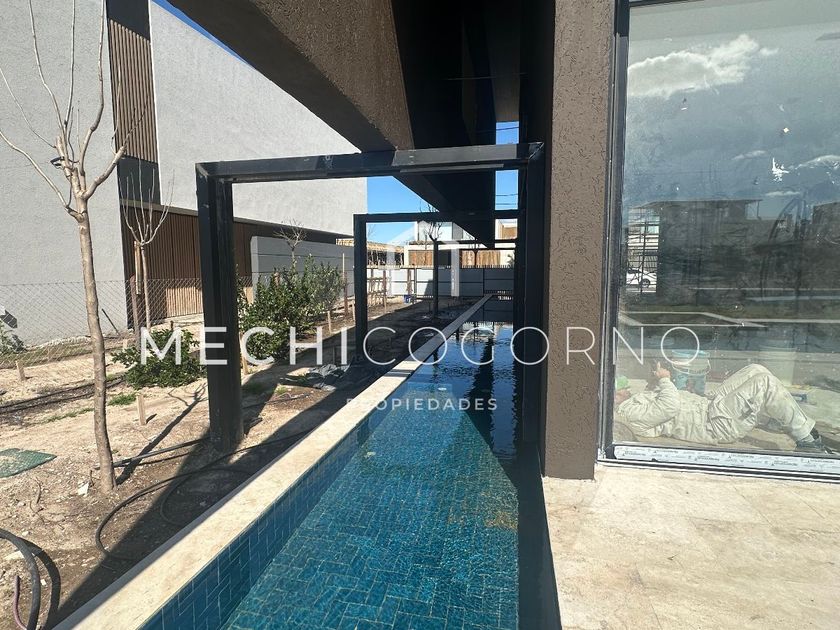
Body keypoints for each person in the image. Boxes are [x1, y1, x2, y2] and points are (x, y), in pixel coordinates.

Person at [614, 363, 826, 452]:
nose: (628, 389)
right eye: (623, 389)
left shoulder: (631, 403)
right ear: (614, 397)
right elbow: (669, 407)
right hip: (716, 423)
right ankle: (806, 441)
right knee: (763, 382)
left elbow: (661, 401)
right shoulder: (628, 414)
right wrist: (665, 379)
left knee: (755, 369)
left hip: (710, 407)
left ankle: (779, 415)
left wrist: (655, 381)